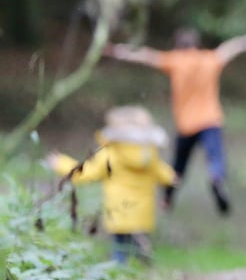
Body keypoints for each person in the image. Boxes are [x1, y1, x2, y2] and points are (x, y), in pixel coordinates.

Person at [102, 27, 246, 215]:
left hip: (187, 125)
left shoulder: (175, 61)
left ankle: (167, 199)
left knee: (178, 165)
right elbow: (228, 49)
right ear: (196, 45)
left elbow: (145, 56)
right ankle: (217, 179)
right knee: (215, 157)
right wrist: (245, 41)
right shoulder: (209, 59)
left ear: (177, 46)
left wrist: (117, 50)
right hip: (210, 120)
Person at [45, 105, 179, 264]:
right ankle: (141, 257)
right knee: (135, 239)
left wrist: (61, 163)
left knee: (119, 246)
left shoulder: (111, 153)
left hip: (119, 210)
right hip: (142, 211)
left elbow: (85, 172)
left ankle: (121, 268)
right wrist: (172, 178)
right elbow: (163, 173)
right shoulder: (149, 154)